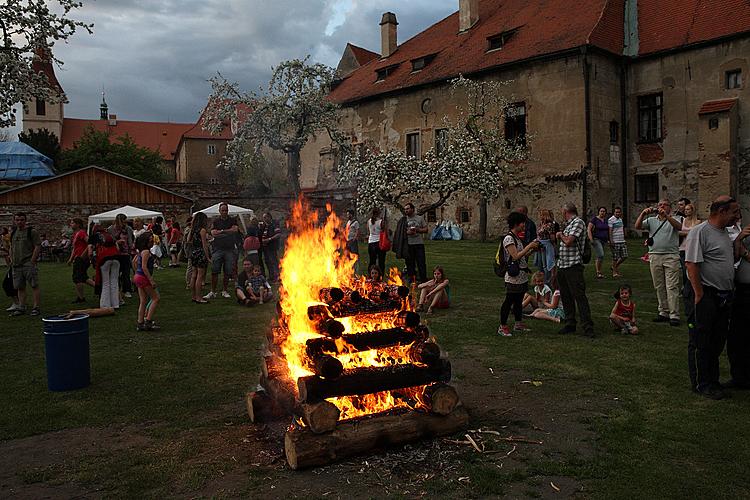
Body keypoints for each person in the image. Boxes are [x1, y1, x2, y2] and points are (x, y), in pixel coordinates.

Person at [684, 195, 741, 399]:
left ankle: (713, 381)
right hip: (705, 294)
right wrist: (699, 294)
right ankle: (702, 383)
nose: (737, 216)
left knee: (717, 340)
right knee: (702, 340)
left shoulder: (725, 233)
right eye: (734, 212)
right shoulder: (700, 232)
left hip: (723, 296)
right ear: (721, 212)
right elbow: (691, 264)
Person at [635, 199, 683, 326]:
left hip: (671, 256)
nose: (661, 207)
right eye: (659, 205)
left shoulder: (675, 218)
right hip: (655, 255)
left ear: (669, 208)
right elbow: (638, 226)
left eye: (664, 205)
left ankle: (674, 314)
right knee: (659, 285)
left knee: (672, 286)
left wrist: (666, 216)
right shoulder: (652, 220)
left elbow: (679, 227)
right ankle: (663, 311)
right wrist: (643, 214)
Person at [555, 202, 594, 337]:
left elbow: (569, 241)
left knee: (579, 296)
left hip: (573, 265)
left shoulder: (578, 222)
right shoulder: (569, 224)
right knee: (566, 296)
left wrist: (560, 235)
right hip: (563, 265)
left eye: (563, 212)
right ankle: (570, 323)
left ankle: (587, 326)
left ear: (566, 212)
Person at [498, 211, 539, 336]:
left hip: (521, 275)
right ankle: (502, 326)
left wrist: (532, 250)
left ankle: (518, 324)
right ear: (516, 224)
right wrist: (529, 246)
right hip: (513, 277)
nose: (524, 226)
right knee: (509, 301)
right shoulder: (509, 238)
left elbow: (521, 256)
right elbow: (515, 256)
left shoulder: (517, 238)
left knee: (518, 301)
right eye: (522, 223)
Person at [728, 217, 750, 389]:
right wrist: (738, 239)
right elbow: (736, 255)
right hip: (741, 289)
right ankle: (739, 377)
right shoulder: (745, 232)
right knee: (737, 335)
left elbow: (742, 254)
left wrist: (746, 253)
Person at [9, 213, 41, 317]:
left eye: (22, 220)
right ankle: (21, 307)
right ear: (14, 221)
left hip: (28, 262)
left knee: (34, 285)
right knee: (19, 287)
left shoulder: (31, 231)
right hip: (16, 264)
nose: (19, 222)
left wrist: (32, 260)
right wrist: (11, 259)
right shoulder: (13, 232)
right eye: (17, 220)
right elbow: (11, 247)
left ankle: (36, 307)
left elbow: (37, 246)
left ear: (25, 220)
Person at [205, 202, 239, 299]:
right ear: (219, 211)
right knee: (214, 271)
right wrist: (227, 232)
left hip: (229, 249)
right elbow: (213, 233)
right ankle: (213, 291)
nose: (224, 212)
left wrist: (222, 232)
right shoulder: (216, 222)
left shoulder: (233, 220)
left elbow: (235, 230)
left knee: (227, 271)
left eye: (226, 210)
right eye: (222, 210)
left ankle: (225, 290)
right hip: (218, 249)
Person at [132, 231, 160, 331]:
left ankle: (140, 323)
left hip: (138, 277)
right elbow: (144, 267)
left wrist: (136, 273)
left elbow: (134, 261)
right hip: (143, 277)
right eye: (151, 240)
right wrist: (151, 280)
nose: (153, 242)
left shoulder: (141, 251)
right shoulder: (146, 252)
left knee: (143, 301)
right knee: (156, 298)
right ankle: (148, 321)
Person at [91, 224, 120, 310]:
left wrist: (92, 259)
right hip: (116, 258)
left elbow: (90, 249)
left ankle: (105, 305)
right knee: (114, 281)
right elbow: (117, 247)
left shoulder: (95, 236)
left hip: (104, 258)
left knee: (105, 282)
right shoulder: (110, 234)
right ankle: (116, 304)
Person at [67, 218, 94, 303]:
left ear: (78, 224)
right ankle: (81, 296)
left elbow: (89, 243)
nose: (71, 225)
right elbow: (75, 248)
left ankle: (81, 297)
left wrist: (83, 255)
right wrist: (71, 259)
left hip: (82, 259)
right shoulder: (76, 234)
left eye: (72, 223)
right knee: (81, 277)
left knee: (78, 277)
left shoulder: (82, 233)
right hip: (77, 258)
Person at [108, 213, 134, 299]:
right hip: (115, 253)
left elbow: (130, 240)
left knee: (126, 273)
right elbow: (109, 242)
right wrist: (117, 242)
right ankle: (117, 290)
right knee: (116, 273)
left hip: (125, 254)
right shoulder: (110, 229)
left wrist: (131, 248)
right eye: (124, 221)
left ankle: (127, 290)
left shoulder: (128, 229)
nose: (125, 224)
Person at [190, 212, 211, 304]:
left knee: (194, 274)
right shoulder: (202, 230)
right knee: (200, 275)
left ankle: (194, 296)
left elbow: (188, 240)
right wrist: (207, 257)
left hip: (194, 252)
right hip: (201, 252)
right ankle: (199, 297)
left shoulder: (193, 230)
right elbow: (204, 245)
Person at [404, 203, 428, 284]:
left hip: (419, 244)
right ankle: (412, 278)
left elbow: (426, 229)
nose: (406, 211)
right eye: (405, 209)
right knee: (410, 263)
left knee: (421, 262)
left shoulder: (420, 218)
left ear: (412, 209)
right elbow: (401, 232)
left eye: (407, 209)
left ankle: (423, 279)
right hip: (409, 244)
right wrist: (408, 232)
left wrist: (417, 230)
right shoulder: (404, 220)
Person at [679, 203, 700, 289]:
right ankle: (685, 286)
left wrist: (686, 233)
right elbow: (678, 232)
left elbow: (696, 234)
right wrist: (689, 233)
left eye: (688, 209)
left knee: (692, 269)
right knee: (684, 269)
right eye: (685, 210)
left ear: (692, 210)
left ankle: (693, 286)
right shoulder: (682, 220)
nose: (686, 211)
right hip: (683, 247)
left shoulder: (697, 222)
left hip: (692, 248)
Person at [537, 209, 559, 286]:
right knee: (541, 264)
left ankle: (548, 281)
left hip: (546, 245)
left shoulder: (549, 225)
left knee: (547, 265)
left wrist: (552, 245)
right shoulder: (542, 224)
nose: (540, 216)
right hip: (540, 245)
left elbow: (552, 237)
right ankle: (544, 280)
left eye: (541, 215)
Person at [588, 207, 609, 279]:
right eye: (601, 211)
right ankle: (598, 272)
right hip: (596, 239)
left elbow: (608, 230)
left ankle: (599, 271)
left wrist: (609, 239)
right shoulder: (594, 219)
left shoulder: (606, 220)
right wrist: (591, 239)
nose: (602, 213)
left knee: (600, 256)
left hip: (604, 240)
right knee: (601, 255)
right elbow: (589, 229)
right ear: (598, 212)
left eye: (604, 211)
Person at [260, 212, 281, 283]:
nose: (264, 219)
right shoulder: (264, 225)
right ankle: (271, 276)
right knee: (268, 262)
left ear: (269, 217)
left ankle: (278, 276)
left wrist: (269, 239)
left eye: (265, 217)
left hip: (272, 247)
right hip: (265, 248)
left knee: (274, 262)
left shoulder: (274, 224)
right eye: (263, 218)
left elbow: (278, 235)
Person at [608, 207, 627, 278]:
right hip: (615, 241)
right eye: (616, 212)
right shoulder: (611, 220)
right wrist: (611, 240)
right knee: (615, 258)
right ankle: (614, 272)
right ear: (614, 213)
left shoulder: (621, 219)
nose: (618, 213)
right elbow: (610, 231)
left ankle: (614, 267)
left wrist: (624, 238)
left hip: (622, 240)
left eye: (619, 212)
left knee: (624, 256)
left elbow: (622, 229)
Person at [367, 207, 387, 275]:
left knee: (372, 261)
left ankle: (370, 275)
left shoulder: (369, 221)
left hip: (371, 242)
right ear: (378, 213)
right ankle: (380, 276)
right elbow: (384, 231)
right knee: (381, 261)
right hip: (379, 242)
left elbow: (369, 230)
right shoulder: (381, 221)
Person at [345, 209, 360, 274]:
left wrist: (354, 238)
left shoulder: (356, 222)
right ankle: (349, 270)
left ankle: (355, 270)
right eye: (347, 214)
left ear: (351, 215)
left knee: (354, 256)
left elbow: (358, 231)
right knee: (348, 256)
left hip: (353, 241)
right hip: (348, 241)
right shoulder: (348, 222)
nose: (347, 216)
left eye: (348, 214)